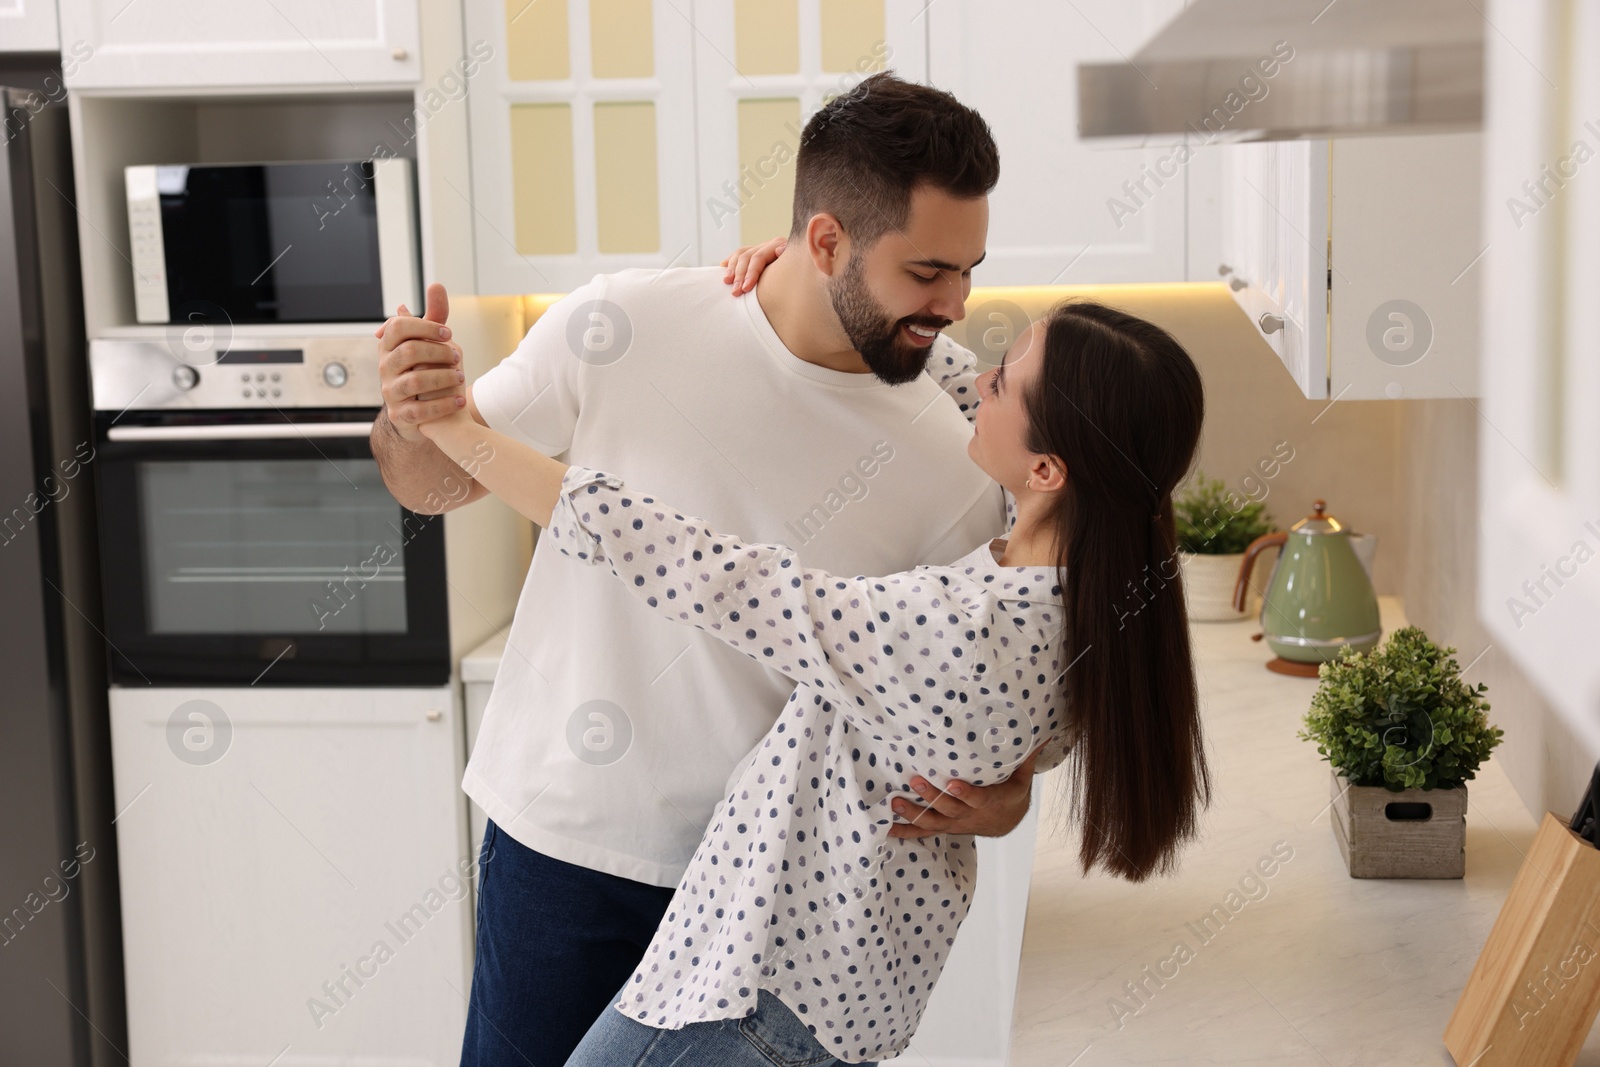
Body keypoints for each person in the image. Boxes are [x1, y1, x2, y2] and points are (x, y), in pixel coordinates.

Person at [371, 72, 1044, 1066]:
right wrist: (416, 414)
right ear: (824, 241)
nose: (954, 305)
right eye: (927, 271)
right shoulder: (620, 324)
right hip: (568, 851)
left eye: (969, 270)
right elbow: (430, 484)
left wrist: (1012, 789)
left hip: (777, 913)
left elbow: (965, 681)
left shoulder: (960, 453)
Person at [413, 298, 1213, 1066]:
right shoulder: (1081, 573)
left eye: (1004, 383)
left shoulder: (966, 632)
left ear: (1046, 466)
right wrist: (813, 288)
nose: (979, 383)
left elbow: (715, 577)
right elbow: (951, 369)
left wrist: (454, 428)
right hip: (839, 979)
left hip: (773, 990)